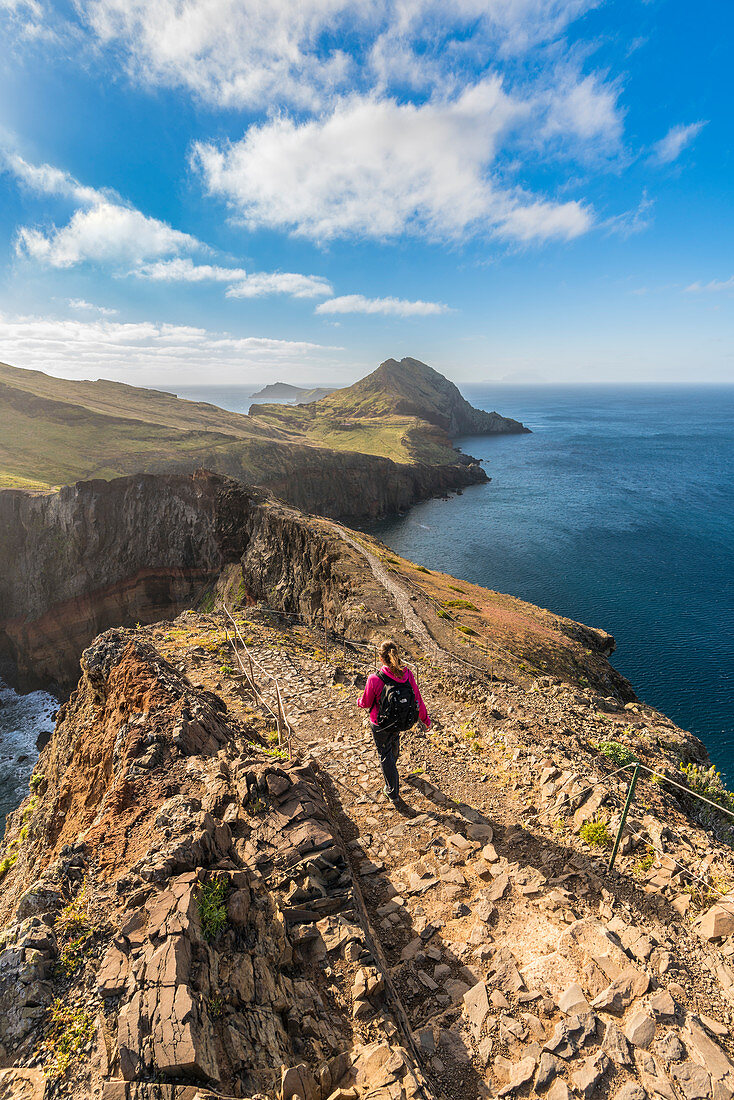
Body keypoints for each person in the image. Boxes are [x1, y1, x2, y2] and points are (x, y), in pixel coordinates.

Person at [358, 639, 430, 804]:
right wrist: (425, 719)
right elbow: (417, 697)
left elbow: (367, 702)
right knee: (393, 746)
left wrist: (358, 702)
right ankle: (393, 768)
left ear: (381, 659)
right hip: (399, 721)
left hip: (380, 723)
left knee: (384, 754)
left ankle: (392, 792)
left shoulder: (374, 679)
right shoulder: (407, 674)